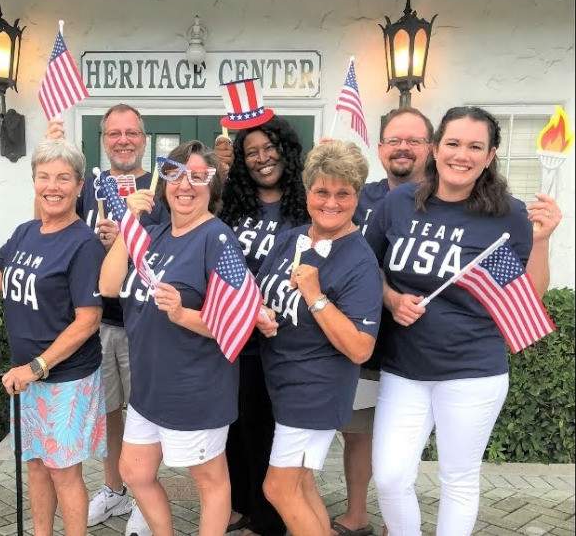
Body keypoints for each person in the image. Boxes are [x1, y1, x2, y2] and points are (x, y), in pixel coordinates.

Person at [365, 106, 562, 535]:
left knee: (458, 478)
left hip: (472, 369)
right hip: (404, 367)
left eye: (476, 146)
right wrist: (393, 298)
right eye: (453, 143)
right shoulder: (397, 203)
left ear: (490, 156)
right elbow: (369, 267)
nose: (462, 155)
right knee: (391, 476)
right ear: (435, 149)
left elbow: (529, 292)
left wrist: (543, 240)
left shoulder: (508, 214)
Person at [100, 140, 275, 536]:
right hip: (150, 386)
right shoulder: (154, 234)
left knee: (210, 483)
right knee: (134, 471)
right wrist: (129, 226)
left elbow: (239, 321)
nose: (185, 185)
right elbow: (109, 286)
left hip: (194, 388)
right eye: (176, 175)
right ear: (163, 183)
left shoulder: (218, 239)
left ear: (212, 188)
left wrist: (182, 314)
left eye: (199, 177)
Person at [0, 139, 107, 536]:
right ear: (34, 182)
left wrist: (38, 367)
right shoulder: (26, 233)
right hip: (26, 377)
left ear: (78, 186)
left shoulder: (83, 243)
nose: (52, 186)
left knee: (64, 473)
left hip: (63, 377)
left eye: (62, 178)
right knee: (37, 465)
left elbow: (88, 320)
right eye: (44, 177)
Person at [257, 140, 383, 536]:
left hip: (315, 389)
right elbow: (263, 292)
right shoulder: (290, 240)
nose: (331, 202)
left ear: (356, 196)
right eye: (322, 191)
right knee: (301, 483)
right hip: (282, 381)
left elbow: (361, 347)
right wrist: (261, 313)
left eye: (343, 193)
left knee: (277, 488)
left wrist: (315, 296)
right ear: (307, 191)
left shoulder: (359, 259)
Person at [45, 105, 154, 536]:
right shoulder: (90, 187)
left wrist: (127, 238)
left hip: (143, 322)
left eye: (131, 132)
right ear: (103, 140)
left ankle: (146, 498)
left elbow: (169, 249)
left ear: (143, 139)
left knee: (144, 415)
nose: (123, 139)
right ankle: (114, 489)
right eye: (114, 133)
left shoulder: (159, 187)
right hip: (98, 321)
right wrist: (52, 145)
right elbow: (52, 214)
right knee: (110, 413)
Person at [330, 107, 434, 536]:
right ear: (380, 147)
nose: (403, 148)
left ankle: (399, 520)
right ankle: (357, 515)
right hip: (365, 340)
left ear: (429, 146)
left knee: (402, 443)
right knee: (359, 433)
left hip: (419, 346)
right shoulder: (362, 196)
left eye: (413, 140)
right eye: (394, 140)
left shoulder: (444, 201)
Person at [218, 115, 309, 536]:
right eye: (251, 152)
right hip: (237, 336)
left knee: (271, 430)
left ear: (285, 149)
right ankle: (242, 505)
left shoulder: (308, 202)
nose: (261, 158)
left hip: (285, 338)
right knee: (237, 424)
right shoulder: (234, 203)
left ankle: (271, 519)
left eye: (268, 148)